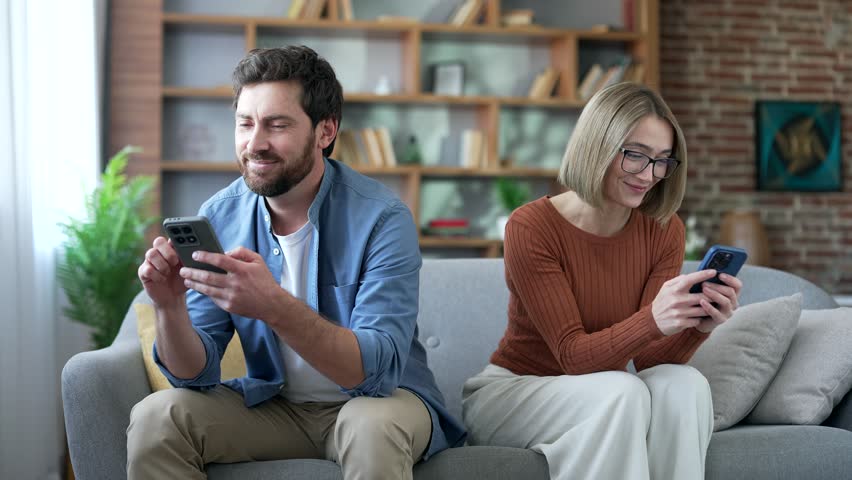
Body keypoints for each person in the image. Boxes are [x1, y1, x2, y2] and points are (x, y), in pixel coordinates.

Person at [128, 45, 465, 480]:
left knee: (370, 426)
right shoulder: (219, 215)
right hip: (274, 407)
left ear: (325, 131)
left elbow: (375, 374)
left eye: (277, 125)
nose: (255, 143)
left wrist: (271, 304)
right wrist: (170, 307)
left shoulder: (383, 218)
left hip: (376, 404)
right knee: (159, 417)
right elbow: (196, 376)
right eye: (245, 123)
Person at [462, 82, 742, 480]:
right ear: (598, 145)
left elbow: (649, 359)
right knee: (622, 391)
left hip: (601, 391)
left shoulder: (663, 230)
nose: (649, 175)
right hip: (515, 392)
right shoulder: (532, 226)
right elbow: (572, 356)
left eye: (662, 161)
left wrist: (698, 327)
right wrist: (653, 319)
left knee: (685, 384)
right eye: (635, 156)